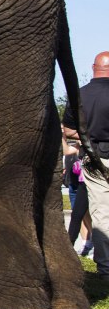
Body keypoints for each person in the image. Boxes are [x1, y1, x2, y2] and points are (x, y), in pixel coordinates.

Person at [61, 51, 109, 279]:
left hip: (94, 157)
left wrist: (85, 137)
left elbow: (68, 129)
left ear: (93, 68)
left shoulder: (79, 95)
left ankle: (106, 266)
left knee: (102, 213)